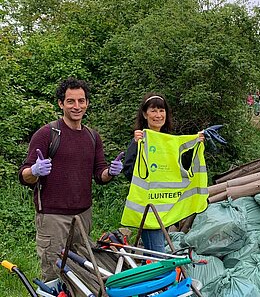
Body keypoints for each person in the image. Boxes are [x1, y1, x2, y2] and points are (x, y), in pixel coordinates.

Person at [18, 78, 123, 281]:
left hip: (83, 216)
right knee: (54, 273)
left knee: (82, 270)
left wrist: (110, 172)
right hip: (53, 218)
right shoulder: (47, 134)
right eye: (70, 101)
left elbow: (99, 174)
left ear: (87, 103)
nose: (77, 106)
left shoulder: (92, 136)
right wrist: (35, 171)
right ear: (61, 103)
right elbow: (23, 175)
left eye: (81, 101)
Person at [122, 93, 205, 253]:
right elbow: (128, 171)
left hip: (166, 207)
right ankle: (157, 277)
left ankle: (152, 275)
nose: (158, 115)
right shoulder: (140, 140)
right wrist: (135, 144)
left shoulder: (170, 142)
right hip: (149, 208)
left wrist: (196, 143)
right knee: (158, 253)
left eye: (161, 110)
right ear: (145, 114)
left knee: (155, 252)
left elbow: (181, 169)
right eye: (153, 111)